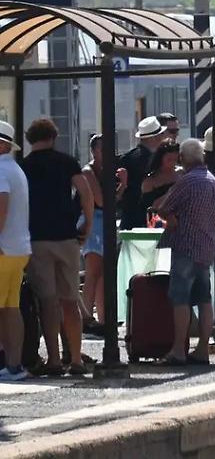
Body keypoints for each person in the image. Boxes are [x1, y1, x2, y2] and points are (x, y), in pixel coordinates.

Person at [21, 118, 93, 377]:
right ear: (53, 137)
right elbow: (85, 192)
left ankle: (53, 359)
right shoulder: (67, 162)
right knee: (70, 301)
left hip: (37, 240)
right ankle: (76, 358)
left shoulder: (24, 166)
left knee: (48, 303)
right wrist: (87, 224)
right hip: (66, 238)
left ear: (29, 139)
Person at [152, 139, 215, 366]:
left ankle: (179, 350)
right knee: (204, 299)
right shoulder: (212, 180)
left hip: (186, 246)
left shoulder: (187, 181)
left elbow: (163, 207)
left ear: (182, 158)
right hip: (207, 246)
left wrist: (170, 217)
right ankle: (203, 349)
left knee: (180, 298)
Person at [79, 134, 120, 334]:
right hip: (92, 220)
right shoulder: (88, 171)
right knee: (93, 271)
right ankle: (86, 318)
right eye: (103, 149)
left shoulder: (109, 172)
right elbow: (101, 201)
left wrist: (123, 184)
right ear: (94, 151)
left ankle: (104, 319)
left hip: (106, 220)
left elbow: (115, 201)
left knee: (104, 273)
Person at [0, 121, 31, 382]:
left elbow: (1, 208)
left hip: (3, 249)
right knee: (11, 307)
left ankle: (11, 364)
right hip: (18, 248)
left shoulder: (0, 170)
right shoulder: (16, 169)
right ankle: (13, 365)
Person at [118, 116, 169, 230]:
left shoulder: (127, 158)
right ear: (153, 138)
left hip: (129, 219)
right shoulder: (154, 161)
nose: (163, 137)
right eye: (161, 134)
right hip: (147, 219)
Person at [141, 141, 180, 222]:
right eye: (169, 160)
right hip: (159, 222)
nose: (173, 163)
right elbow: (151, 207)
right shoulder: (150, 181)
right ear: (160, 158)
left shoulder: (181, 174)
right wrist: (172, 192)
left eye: (175, 159)